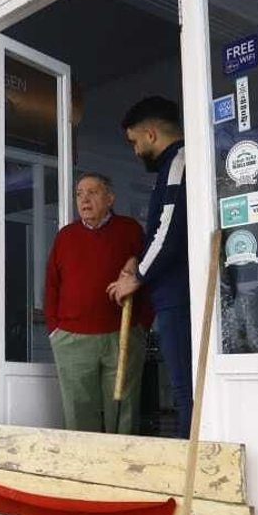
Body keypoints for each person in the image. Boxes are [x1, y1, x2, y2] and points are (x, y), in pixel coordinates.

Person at [108, 96, 192, 438]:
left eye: (134, 142)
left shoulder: (178, 162)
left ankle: (194, 472)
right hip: (173, 293)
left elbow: (169, 231)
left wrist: (138, 276)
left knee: (185, 390)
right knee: (184, 387)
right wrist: (138, 260)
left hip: (179, 293)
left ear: (152, 135)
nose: (135, 151)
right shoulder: (175, 165)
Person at [46, 173, 152, 434]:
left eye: (93, 192)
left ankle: (122, 470)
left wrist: (144, 325)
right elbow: (51, 285)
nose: (85, 199)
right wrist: (54, 330)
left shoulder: (130, 230)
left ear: (110, 198)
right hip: (72, 339)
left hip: (123, 333)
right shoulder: (65, 237)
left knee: (123, 409)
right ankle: (85, 469)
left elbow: (150, 270)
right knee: (79, 411)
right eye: (80, 193)